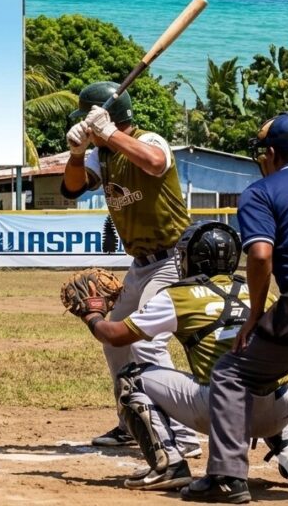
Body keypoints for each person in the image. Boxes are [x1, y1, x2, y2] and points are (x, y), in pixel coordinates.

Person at [79, 221, 288, 492]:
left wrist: (91, 316)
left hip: (222, 413)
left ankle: (168, 464)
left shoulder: (179, 296)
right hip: (279, 412)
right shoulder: (264, 294)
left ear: (194, 259)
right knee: (269, 373)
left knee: (132, 378)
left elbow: (115, 336)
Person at [184, 113, 288, 503]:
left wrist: (255, 312)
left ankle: (226, 477)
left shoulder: (263, 190)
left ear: (271, 154)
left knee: (232, 373)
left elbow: (260, 254)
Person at [60, 81, 199, 453]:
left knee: (149, 343)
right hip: (141, 265)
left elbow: (154, 163)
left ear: (108, 119)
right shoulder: (100, 156)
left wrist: (106, 132)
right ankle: (133, 420)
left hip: (174, 258)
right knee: (114, 340)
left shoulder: (150, 139)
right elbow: (71, 189)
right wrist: (76, 154)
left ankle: (183, 437)